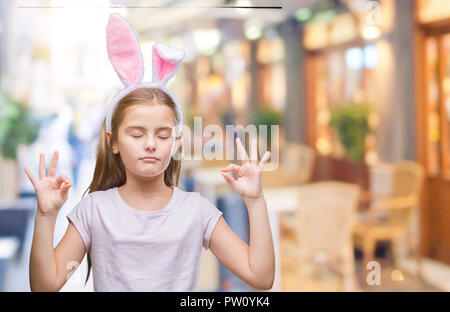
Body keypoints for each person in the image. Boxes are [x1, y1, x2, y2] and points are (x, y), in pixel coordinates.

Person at [23, 13, 275, 292]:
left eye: (163, 134)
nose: (151, 143)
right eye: (136, 133)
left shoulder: (197, 210)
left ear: (176, 142)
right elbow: (44, 287)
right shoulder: (94, 211)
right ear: (113, 141)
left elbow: (261, 277)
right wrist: (45, 217)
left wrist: (255, 200)